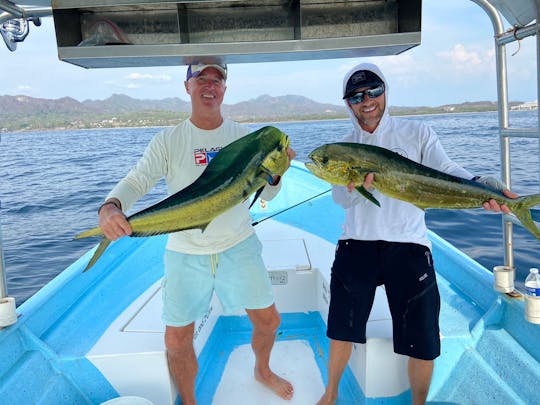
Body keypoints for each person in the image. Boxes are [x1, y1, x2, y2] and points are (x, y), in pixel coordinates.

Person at [316, 62, 517, 405]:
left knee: (423, 340)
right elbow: (339, 198)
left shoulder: (416, 132)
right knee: (340, 328)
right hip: (357, 244)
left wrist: (483, 186)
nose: (367, 101)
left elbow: (447, 170)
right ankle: (331, 394)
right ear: (348, 103)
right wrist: (352, 188)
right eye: (357, 96)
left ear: (385, 92)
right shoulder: (344, 146)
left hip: (408, 245)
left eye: (374, 91)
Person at [97, 62, 296, 404]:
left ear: (224, 89)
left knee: (269, 320)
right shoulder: (169, 140)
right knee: (176, 339)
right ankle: (189, 401)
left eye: (217, 79)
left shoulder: (243, 138)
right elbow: (137, 180)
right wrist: (111, 206)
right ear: (186, 86)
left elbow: (267, 193)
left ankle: (262, 370)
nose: (209, 84)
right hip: (185, 252)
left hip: (238, 244)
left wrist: (276, 175)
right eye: (200, 78)